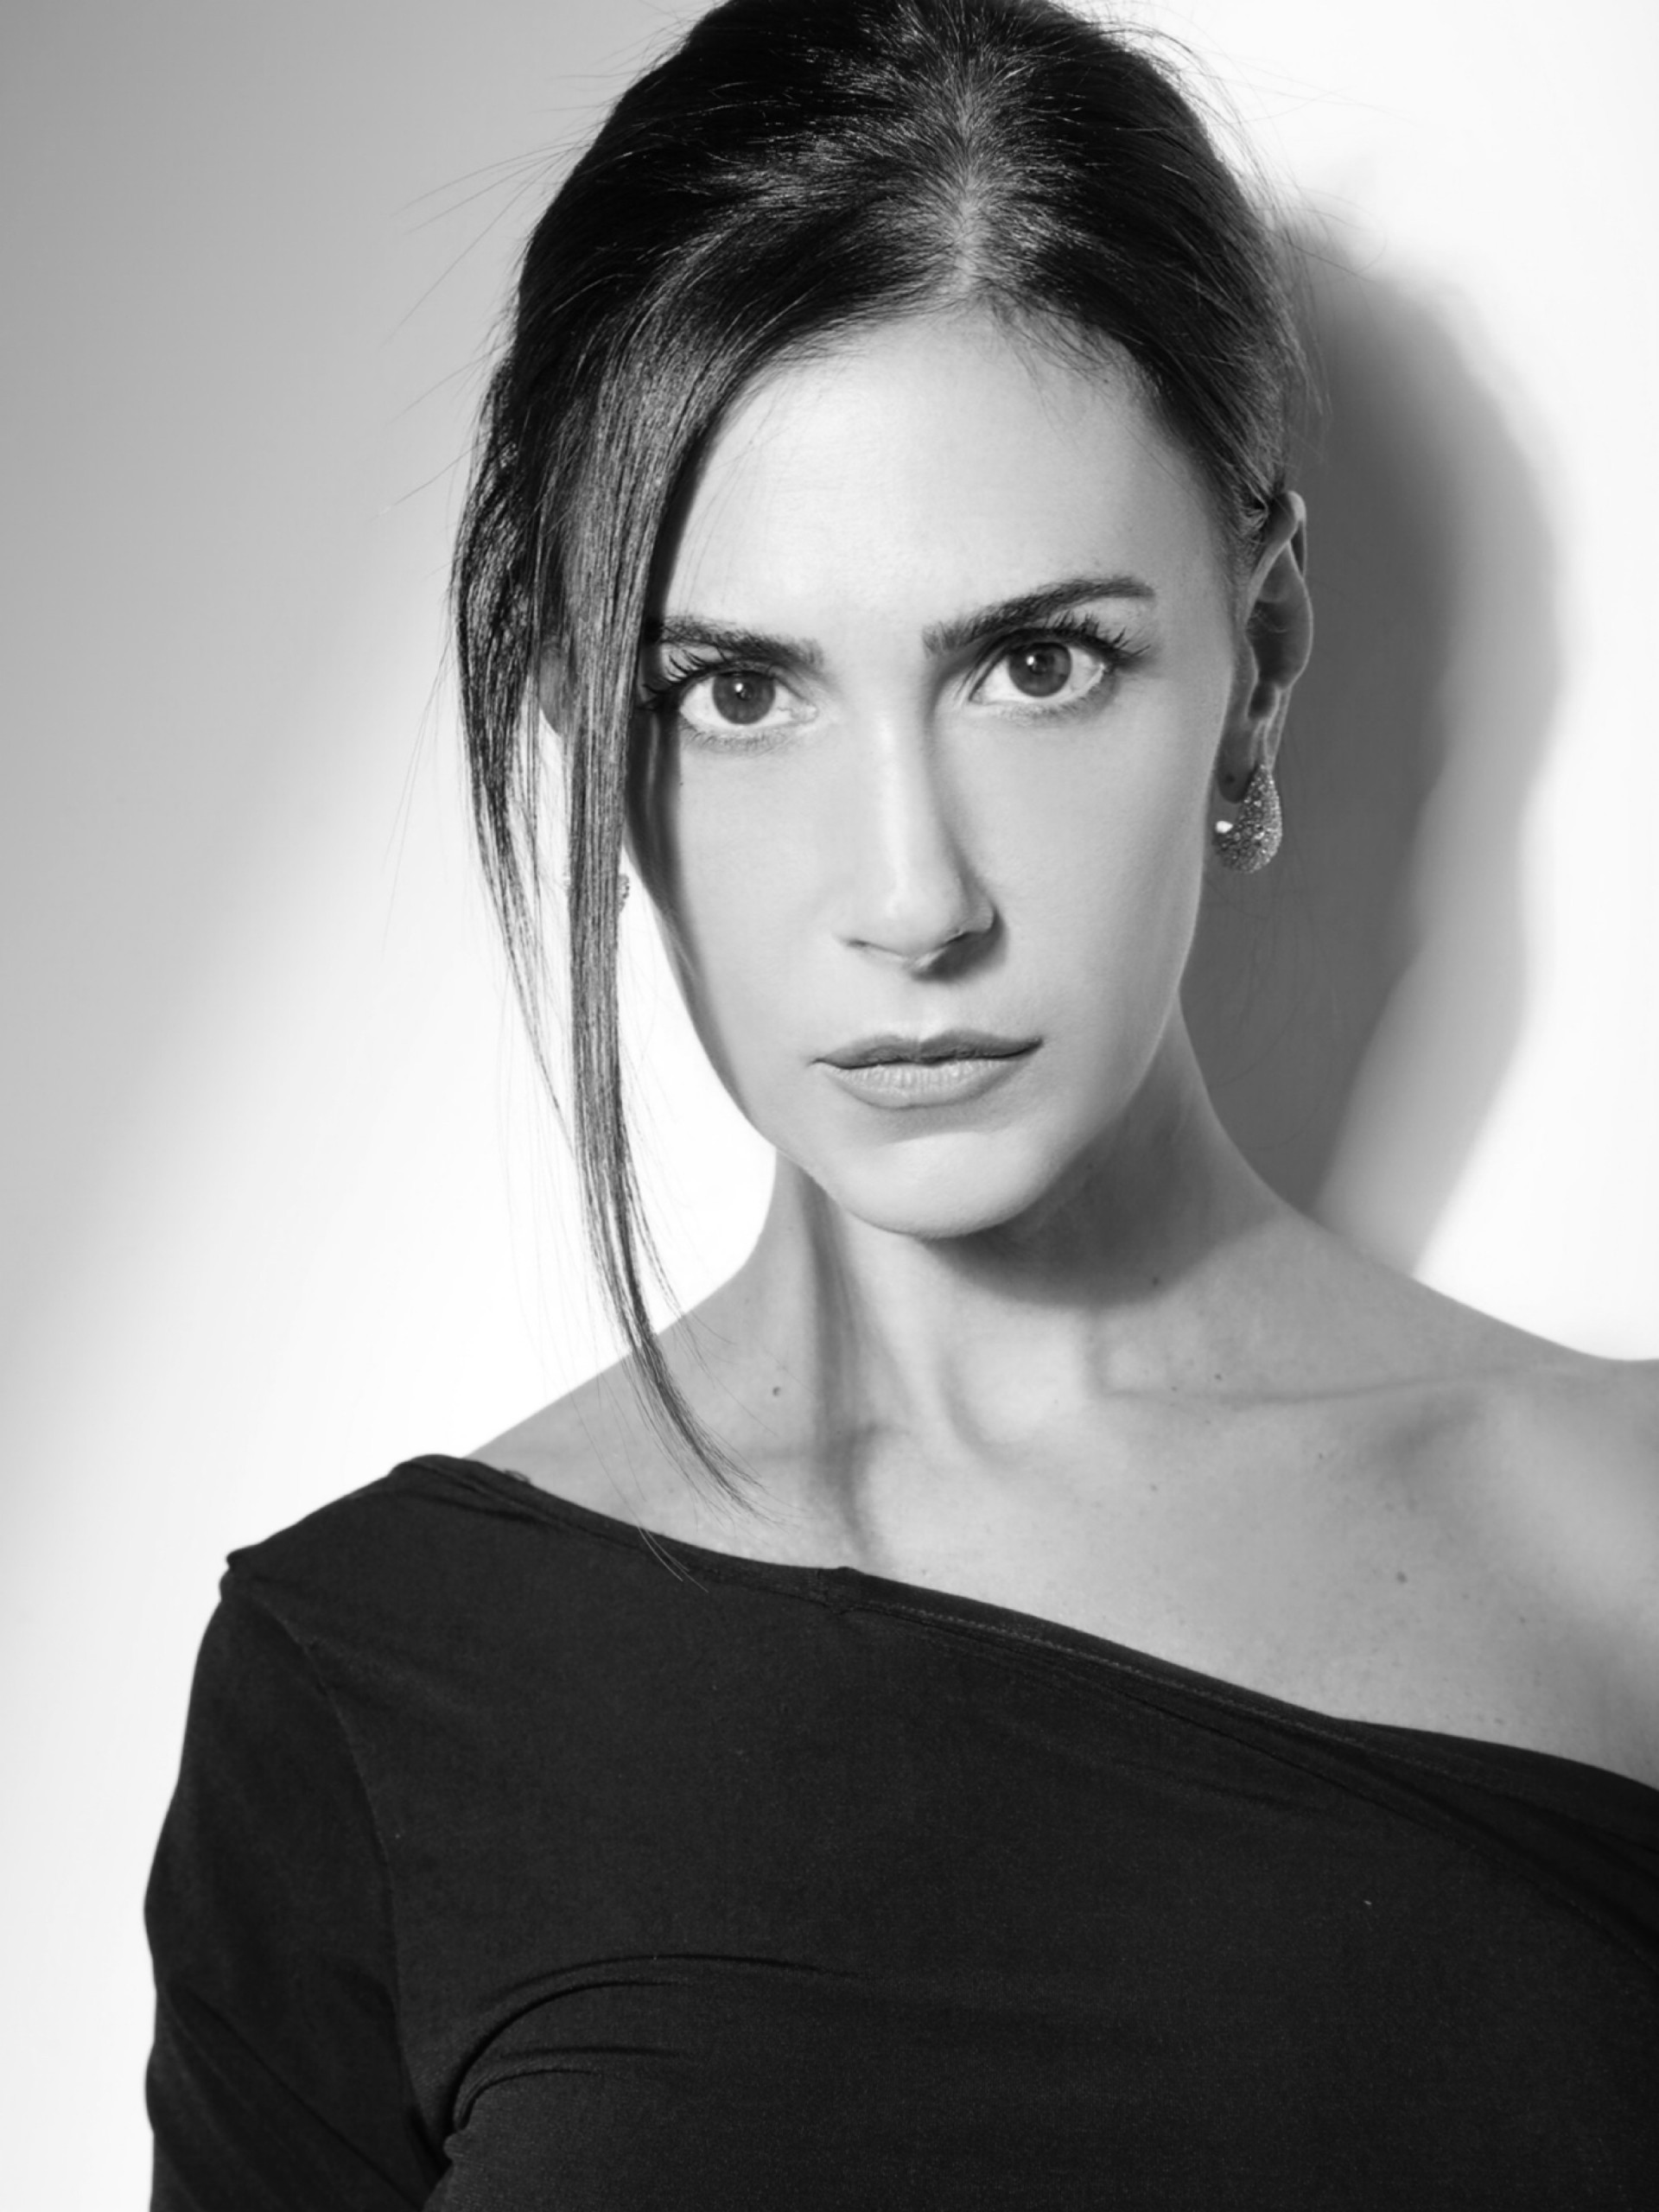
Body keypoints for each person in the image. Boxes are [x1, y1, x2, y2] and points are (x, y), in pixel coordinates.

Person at [144, 0, 1659, 2203]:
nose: (912, 895)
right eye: (737, 689)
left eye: (1038, 662)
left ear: (1257, 671)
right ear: (588, 722)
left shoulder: (1626, 1548)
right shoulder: (368, 1695)